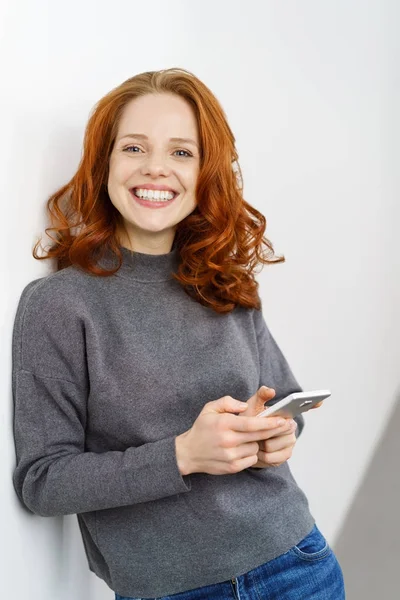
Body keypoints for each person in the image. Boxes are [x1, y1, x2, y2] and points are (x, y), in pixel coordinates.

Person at [11, 67, 345, 599]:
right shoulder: (60, 304)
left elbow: (283, 403)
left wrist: (276, 434)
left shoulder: (225, 283)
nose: (157, 169)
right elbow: (44, 481)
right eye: (135, 148)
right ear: (104, 164)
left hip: (296, 564)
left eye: (182, 153)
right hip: (170, 590)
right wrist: (185, 454)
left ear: (205, 171)